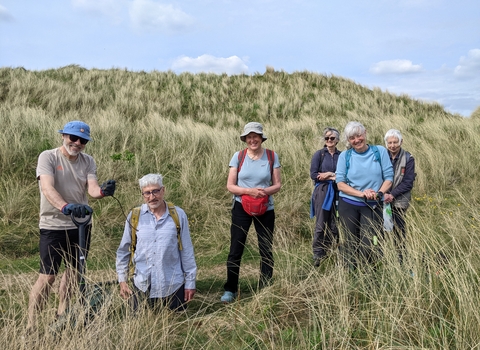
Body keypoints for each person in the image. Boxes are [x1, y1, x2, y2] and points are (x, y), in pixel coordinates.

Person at [27, 121, 116, 331]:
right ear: (64, 136)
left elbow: (92, 189)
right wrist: (65, 206)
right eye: (73, 138)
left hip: (81, 225)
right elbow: (47, 188)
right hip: (53, 224)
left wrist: (103, 192)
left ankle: (61, 315)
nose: (77, 143)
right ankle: (31, 325)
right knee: (48, 275)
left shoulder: (88, 161)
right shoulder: (47, 157)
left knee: (74, 273)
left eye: (83, 140)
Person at [116, 173, 197, 312]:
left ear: (163, 190)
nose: (152, 197)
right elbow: (124, 250)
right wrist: (122, 280)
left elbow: (187, 251)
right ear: (142, 195)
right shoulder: (134, 216)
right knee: (141, 327)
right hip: (142, 285)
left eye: (155, 191)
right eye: (147, 193)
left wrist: (190, 283)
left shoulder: (178, 215)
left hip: (172, 286)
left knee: (176, 327)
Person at [221, 122, 281, 303]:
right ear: (245, 139)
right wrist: (249, 192)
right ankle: (230, 289)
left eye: (256, 136)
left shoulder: (271, 156)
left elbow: (277, 185)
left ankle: (265, 286)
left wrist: (263, 192)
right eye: (249, 137)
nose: (253, 140)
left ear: (261, 138)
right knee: (236, 249)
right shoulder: (238, 157)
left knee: (265, 248)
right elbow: (230, 185)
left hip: (265, 208)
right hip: (241, 207)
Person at [335, 121, 393, 269]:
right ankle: (351, 273)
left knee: (370, 243)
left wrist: (379, 193)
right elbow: (340, 184)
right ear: (348, 140)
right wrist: (362, 194)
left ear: (365, 133)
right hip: (349, 204)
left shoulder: (379, 152)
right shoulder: (344, 156)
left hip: (373, 205)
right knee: (350, 242)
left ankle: (369, 272)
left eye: (359, 135)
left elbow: (389, 178)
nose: (356, 140)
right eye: (352, 138)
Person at [309, 127, 341, 267]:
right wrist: (330, 175)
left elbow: (343, 174)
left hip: (338, 191)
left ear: (337, 140)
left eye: (332, 138)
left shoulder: (342, 155)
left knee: (335, 223)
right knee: (321, 222)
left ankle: (333, 249)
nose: (329, 140)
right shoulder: (319, 154)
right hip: (323, 191)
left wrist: (327, 175)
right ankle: (318, 253)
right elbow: (314, 175)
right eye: (327, 138)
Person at [383, 129, 416, 264]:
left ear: (401, 142)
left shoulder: (408, 158)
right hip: (382, 200)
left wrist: (392, 195)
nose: (392, 145)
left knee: (399, 230)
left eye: (395, 142)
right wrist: (382, 194)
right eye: (390, 142)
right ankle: (383, 257)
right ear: (386, 143)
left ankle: (401, 259)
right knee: (381, 229)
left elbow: (408, 182)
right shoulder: (381, 156)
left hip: (399, 201)